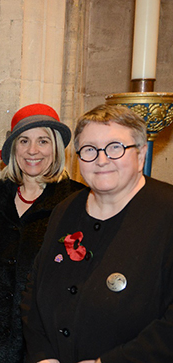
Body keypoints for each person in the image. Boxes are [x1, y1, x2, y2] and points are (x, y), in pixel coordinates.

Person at [22, 104, 173, 363]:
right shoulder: (66, 209)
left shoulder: (167, 212)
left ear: (141, 154)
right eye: (90, 150)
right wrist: (42, 355)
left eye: (116, 147)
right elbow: (34, 289)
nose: (102, 160)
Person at [0, 103, 85, 363]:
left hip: (40, 339)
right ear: (13, 147)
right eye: (24, 140)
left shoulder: (76, 199)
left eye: (43, 141)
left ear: (57, 147)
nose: (33, 150)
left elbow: (78, 278)